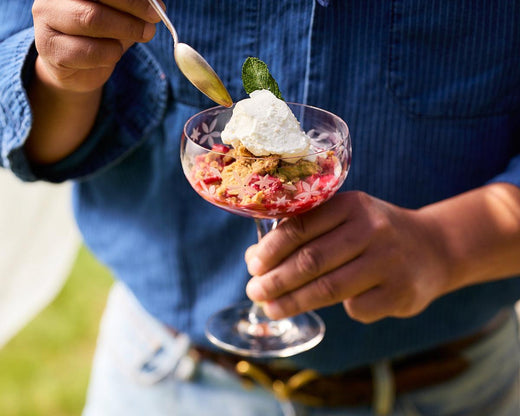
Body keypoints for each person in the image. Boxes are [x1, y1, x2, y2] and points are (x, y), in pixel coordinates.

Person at [1, 0, 520, 415]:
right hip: (164, 376)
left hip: (456, 386)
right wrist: (61, 72)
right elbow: (32, 130)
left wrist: (448, 243)